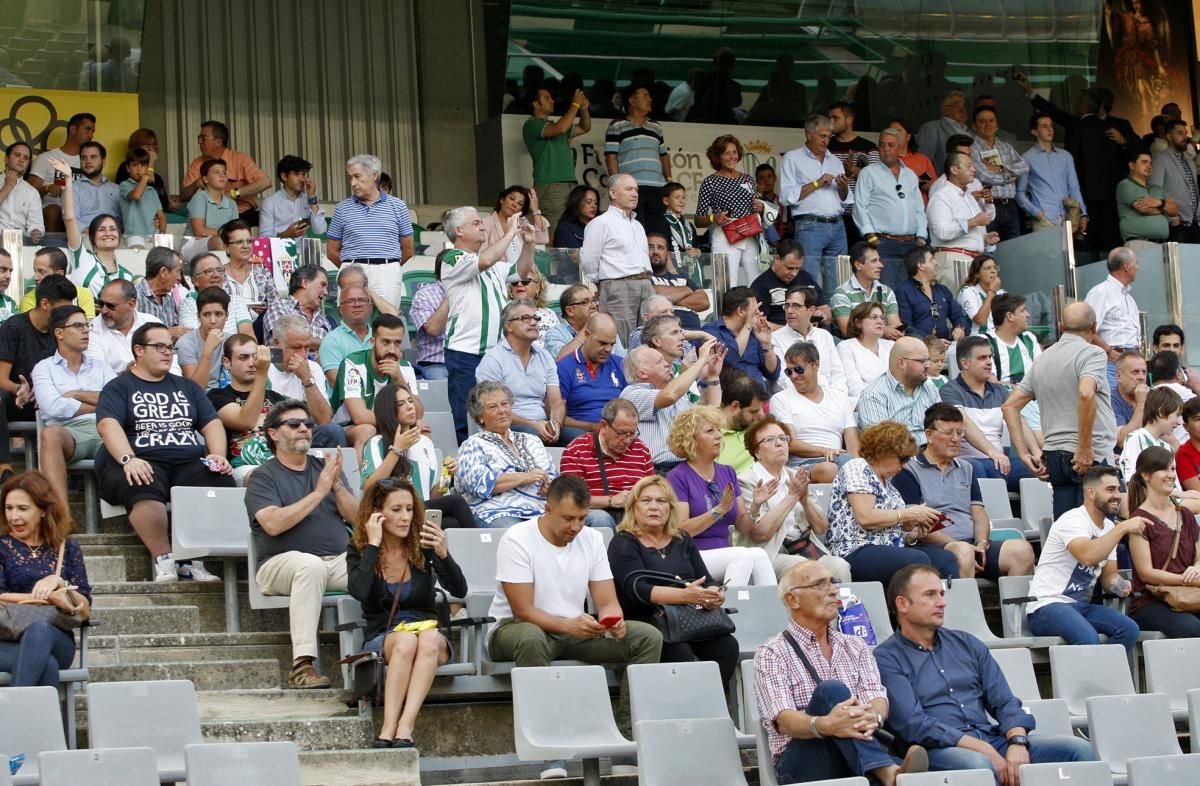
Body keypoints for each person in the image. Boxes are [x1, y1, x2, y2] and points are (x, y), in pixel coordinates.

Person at [487, 475, 662, 778]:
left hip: (574, 629)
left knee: (647, 636)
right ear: (547, 509)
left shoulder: (592, 538)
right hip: (515, 629)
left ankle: (625, 740)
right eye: (568, 518)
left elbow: (606, 600)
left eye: (582, 518)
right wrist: (569, 625)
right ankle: (548, 749)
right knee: (530, 637)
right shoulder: (517, 538)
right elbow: (523, 611)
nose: (576, 526)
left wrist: (613, 620)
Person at [875, 565, 1099, 783]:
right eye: (930, 595)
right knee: (978, 764)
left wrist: (1017, 742)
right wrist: (985, 750)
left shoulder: (967, 644)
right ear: (902, 604)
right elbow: (914, 725)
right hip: (941, 749)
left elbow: (1004, 701)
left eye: (942, 594)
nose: (942, 602)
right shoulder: (886, 657)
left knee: (1077, 749)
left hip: (992, 738)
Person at [753, 560, 929, 786]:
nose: (833, 590)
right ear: (792, 599)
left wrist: (873, 716)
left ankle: (880, 771)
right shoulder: (772, 652)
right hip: (803, 762)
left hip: (855, 755)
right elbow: (784, 720)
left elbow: (876, 697)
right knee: (831, 690)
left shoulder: (855, 646)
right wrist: (827, 724)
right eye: (820, 584)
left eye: (833, 582)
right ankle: (885, 771)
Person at [96, 322, 235, 581]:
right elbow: (108, 424)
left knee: (218, 479)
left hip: (188, 459)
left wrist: (218, 454)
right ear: (138, 349)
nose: (167, 353)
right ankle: (165, 559)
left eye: (170, 347)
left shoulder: (187, 386)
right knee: (141, 481)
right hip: (142, 458)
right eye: (159, 346)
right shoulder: (119, 387)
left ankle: (193, 559)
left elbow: (212, 423)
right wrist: (128, 459)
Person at [244, 400, 357, 688]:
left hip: (335, 562)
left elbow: (358, 518)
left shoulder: (326, 469)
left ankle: (387, 647)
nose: (304, 428)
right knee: (311, 565)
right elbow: (273, 523)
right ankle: (302, 665)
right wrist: (319, 492)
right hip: (278, 565)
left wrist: (337, 487)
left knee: (378, 563)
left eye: (308, 424)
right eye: (294, 424)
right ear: (273, 434)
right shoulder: (263, 477)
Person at [347, 476, 466, 747]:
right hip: (385, 635)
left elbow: (458, 589)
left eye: (410, 509)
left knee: (426, 638)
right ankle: (388, 726)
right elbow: (360, 591)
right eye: (396, 510)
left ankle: (404, 726)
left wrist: (444, 554)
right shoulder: (360, 549)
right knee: (405, 641)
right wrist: (373, 546)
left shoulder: (423, 546)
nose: (405, 517)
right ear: (377, 514)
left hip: (427, 634)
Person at [608, 475, 739, 686]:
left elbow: (706, 578)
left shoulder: (682, 538)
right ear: (633, 506)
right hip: (650, 621)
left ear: (670, 508)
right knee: (680, 655)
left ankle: (708, 707)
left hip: (689, 618)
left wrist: (715, 593)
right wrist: (685, 595)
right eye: (646, 501)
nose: (654, 507)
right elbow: (636, 589)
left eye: (661, 501)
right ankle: (684, 712)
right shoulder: (623, 542)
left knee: (727, 647)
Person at [893, 404, 1035, 580]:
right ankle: (967, 607)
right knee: (963, 552)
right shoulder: (909, 470)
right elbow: (913, 524)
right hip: (931, 547)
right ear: (929, 435)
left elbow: (979, 513)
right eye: (948, 432)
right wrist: (959, 545)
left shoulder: (967, 468)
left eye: (960, 433)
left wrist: (981, 544)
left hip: (971, 544)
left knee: (1021, 551)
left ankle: (1017, 608)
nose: (955, 439)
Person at [1004, 303, 1117, 519]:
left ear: (1060, 326)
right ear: (1094, 326)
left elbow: (1009, 406)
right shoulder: (1093, 353)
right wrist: (1084, 447)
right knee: (1097, 538)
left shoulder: (1042, 359)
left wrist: (1024, 454)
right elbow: (1086, 393)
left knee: (1068, 535)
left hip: (1055, 458)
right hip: (1089, 457)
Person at [1025, 465, 1142, 655]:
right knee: (1087, 638)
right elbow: (1087, 556)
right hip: (1047, 605)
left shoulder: (1109, 527)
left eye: (1119, 489)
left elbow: (1109, 579)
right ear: (1091, 492)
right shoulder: (1072, 520)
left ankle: (1108, 679)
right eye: (1110, 489)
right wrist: (1122, 528)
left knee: (1129, 630)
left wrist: (1123, 586)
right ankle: (1084, 683)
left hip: (1081, 605)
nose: (1118, 495)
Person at [826, 421, 957, 583]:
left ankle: (941, 607)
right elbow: (865, 517)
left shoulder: (890, 486)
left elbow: (894, 527)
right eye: (902, 459)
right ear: (883, 451)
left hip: (890, 547)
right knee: (916, 560)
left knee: (946, 560)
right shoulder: (858, 467)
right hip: (854, 549)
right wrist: (908, 513)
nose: (904, 465)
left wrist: (913, 532)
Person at [440, 206, 529, 443]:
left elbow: (521, 270)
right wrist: (509, 233)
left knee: (496, 412)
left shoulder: (492, 267)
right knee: (466, 415)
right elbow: (486, 259)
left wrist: (528, 242)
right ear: (459, 231)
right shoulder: (452, 258)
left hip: (495, 353)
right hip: (464, 351)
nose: (482, 226)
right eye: (476, 223)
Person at [209, 335, 344, 485]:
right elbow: (245, 421)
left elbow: (324, 419)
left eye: (255, 357)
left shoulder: (276, 397)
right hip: (246, 464)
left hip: (283, 456)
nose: (252, 363)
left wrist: (307, 379)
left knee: (332, 430)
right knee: (265, 475)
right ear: (227, 362)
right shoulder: (217, 396)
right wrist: (262, 374)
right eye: (243, 358)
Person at [664, 406, 776, 586]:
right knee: (743, 556)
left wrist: (755, 505)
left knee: (759, 555)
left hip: (726, 553)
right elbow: (681, 530)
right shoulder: (677, 476)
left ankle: (773, 612)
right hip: (691, 555)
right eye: (710, 431)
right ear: (690, 440)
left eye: (718, 429)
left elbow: (742, 526)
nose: (718, 435)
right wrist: (719, 510)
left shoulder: (727, 472)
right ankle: (729, 612)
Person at [0, 471, 91, 687]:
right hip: (4, 639)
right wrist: (45, 598)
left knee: (40, 629)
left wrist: (61, 584)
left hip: (55, 638)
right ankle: (40, 721)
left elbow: (85, 610)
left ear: (43, 510)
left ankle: (13, 717)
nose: (14, 517)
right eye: (9, 508)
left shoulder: (68, 549)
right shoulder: (1, 547)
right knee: (46, 665)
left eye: (23, 509)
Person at [737, 416, 852, 581]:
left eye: (783, 438)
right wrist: (792, 497)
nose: (779, 444)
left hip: (805, 548)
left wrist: (804, 501)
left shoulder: (795, 476)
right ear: (756, 451)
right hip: (770, 553)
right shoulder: (747, 481)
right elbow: (760, 534)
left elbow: (821, 528)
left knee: (839, 566)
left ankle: (840, 607)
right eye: (770, 440)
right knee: (802, 567)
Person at [31, 304, 115, 507]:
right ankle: (60, 514)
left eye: (87, 326)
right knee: (50, 434)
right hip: (71, 433)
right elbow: (53, 408)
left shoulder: (102, 367)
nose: (86, 330)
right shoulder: (44, 368)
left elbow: (117, 400)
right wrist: (99, 403)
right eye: (78, 326)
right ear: (59, 333)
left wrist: (77, 394)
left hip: (108, 429)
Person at [359, 383, 474, 528]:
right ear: (389, 410)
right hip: (393, 514)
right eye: (401, 403)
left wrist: (447, 476)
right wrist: (396, 450)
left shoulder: (425, 443)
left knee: (454, 524)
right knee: (456, 502)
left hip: (421, 513)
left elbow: (432, 496)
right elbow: (370, 488)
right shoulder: (376, 443)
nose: (409, 406)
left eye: (410, 400)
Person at [0, 275, 77, 481]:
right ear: (45, 304)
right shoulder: (14, 327)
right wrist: (19, 389)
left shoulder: (63, 331)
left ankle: (74, 475)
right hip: (18, 399)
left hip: (53, 399)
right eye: (62, 310)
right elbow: (1, 378)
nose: (66, 315)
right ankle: (4, 468)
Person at [942, 335, 1038, 488]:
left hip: (999, 462)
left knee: (1040, 468)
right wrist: (993, 453)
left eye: (990, 357)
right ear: (965, 363)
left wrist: (1036, 453)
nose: (989, 362)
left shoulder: (999, 391)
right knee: (987, 469)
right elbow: (965, 424)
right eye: (982, 358)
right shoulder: (950, 391)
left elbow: (1019, 422)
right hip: (967, 462)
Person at [456, 381, 555, 528]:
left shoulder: (532, 441)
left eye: (505, 404)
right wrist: (525, 477)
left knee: (592, 520)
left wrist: (550, 488)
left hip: (541, 510)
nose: (502, 411)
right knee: (517, 532)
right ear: (480, 417)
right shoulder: (473, 444)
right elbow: (478, 483)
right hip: (498, 512)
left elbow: (554, 477)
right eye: (493, 407)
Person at [1127, 446, 1200, 637]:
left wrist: (1197, 568)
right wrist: (1187, 581)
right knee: (1193, 629)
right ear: (1146, 475)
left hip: (1189, 593)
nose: (1171, 475)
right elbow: (1146, 573)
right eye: (1164, 469)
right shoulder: (1138, 519)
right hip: (1152, 600)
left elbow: (1198, 557)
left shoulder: (1185, 514)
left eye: (1173, 469)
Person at [325, 154, 415, 309]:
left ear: (374, 175)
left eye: (357, 177)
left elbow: (408, 249)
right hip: (351, 271)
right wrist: (352, 266)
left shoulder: (398, 206)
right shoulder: (341, 209)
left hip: (387, 272)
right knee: (352, 321)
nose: (353, 183)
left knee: (386, 320)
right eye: (350, 178)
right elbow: (332, 251)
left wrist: (388, 267)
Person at [621, 342, 724, 473]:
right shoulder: (631, 394)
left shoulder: (680, 394)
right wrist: (702, 359)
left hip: (688, 468)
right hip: (653, 471)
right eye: (659, 362)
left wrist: (712, 376)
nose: (667, 364)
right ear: (642, 373)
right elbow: (669, 396)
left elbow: (712, 415)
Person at [475, 298, 563, 444]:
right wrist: (533, 424)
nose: (534, 322)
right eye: (525, 318)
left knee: (580, 437)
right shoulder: (493, 360)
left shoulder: (545, 356)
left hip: (541, 425)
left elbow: (556, 401)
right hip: (505, 427)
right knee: (531, 437)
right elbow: (495, 409)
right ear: (509, 326)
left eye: (535, 318)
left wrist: (555, 424)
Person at [47, 158, 137, 299]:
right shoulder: (81, 257)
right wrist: (69, 179)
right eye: (102, 229)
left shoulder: (127, 276)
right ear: (92, 237)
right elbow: (70, 218)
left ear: (119, 235)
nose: (108, 233)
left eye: (113, 229)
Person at [580, 174, 655, 344]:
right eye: (628, 189)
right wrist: (601, 284)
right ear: (613, 194)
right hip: (618, 286)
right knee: (621, 340)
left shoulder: (637, 225)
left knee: (649, 337)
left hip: (645, 283)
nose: (635, 194)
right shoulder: (601, 223)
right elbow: (589, 260)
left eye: (636, 190)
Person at [778, 114, 849, 291]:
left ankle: (835, 318)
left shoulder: (835, 160)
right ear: (809, 134)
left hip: (837, 225)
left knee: (840, 280)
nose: (826, 141)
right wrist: (817, 183)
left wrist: (843, 187)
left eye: (829, 137)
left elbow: (845, 199)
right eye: (822, 136)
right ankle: (809, 317)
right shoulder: (792, 158)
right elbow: (785, 197)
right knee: (807, 279)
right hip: (810, 225)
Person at [559, 399, 653, 530]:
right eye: (621, 433)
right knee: (600, 518)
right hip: (595, 512)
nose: (627, 440)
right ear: (603, 426)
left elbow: (653, 490)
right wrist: (611, 500)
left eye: (632, 433)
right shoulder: (577, 449)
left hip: (634, 512)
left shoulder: (640, 449)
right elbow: (570, 498)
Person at [853, 128, 928, 291]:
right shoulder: (868, 173)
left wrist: (921, 236)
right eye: (882, 145)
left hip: (910, 243)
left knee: (910, 291)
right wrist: (871, 236)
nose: (885, 149)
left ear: (900, 147)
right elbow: (860, 206)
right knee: (886, 291)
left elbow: (919, 209)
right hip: (883, 242)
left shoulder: (910, 175)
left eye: (891, 145)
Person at [771, 341, 857, 482]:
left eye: (798, 370)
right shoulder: (781, 399)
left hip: (840, 460)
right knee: (829, 469)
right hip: (801, 465)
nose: (793, 376)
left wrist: (856, 464)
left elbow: (853, 446)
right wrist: (825, 451)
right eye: (789, 371)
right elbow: (789, 443)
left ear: (815, 365)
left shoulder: (840, 398)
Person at [694, 134, 768, 286]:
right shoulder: (710, 182)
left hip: (749, 233)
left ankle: (756, 310)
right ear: (717, 156)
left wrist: (760, 207)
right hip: (725, 234)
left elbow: (756, 206)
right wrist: (714, 218)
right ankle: (725, 311)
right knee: (725, 284)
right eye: (727, 153)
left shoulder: (747, 179)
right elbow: (698, 219)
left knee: (757, 282)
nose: (732, 156)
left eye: (734, 152)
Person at [329, 313, 417, 436]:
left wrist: (400, 380)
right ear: (372, 342)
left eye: (397, 343)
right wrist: (401, 421)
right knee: (367, 430)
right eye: (385, 342)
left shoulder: (405, 367)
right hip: (348, 427)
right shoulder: (353, 365)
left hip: (389, 424)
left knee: (421, 427)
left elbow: (418, 413)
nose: (392, 350)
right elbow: (360, 416)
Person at [524, 84, 590, 238]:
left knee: (570, 230)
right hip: (551, 186)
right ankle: (553, 263)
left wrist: (584, 108)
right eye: (547, 98)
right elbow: (560, 128)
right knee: (555, 232)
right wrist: (574, 104)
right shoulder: (531, 124)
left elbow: (585, 127)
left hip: (568, 184)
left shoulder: (557, 125)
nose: (552, 100)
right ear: (535, 104)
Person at [604, 84, 671, 229]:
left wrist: (669, 181)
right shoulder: (617, 126)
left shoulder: (656, 126)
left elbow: (664, 156)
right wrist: (617, 186)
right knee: (633, 229)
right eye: (645, 95)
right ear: (632, 101)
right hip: (632, 188)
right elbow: (611, 157)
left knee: (657, 232)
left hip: (657, 188)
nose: (650, 99)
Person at [928, 153, 1000, 287]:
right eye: (968, 166)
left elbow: (980, 222)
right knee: (958, 306)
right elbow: (942, 232)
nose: (974, 169)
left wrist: (984, 238)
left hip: (972, 260)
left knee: (973, 307)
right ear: (954, 170)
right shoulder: (941, 196)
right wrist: (973, 222)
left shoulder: (968, 197)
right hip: (953, 260)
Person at [180, 120, 270, 222]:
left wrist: (232, 194)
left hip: (241, 213)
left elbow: (265, 182)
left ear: (218, 141)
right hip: (209, 214)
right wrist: (196, 184)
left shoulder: (240, 159)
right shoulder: (197, 163)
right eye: (199, 138)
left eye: (204, 138)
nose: (199, 142)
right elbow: (183, 196)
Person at [86, 279, 180, 377]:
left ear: (131, 304)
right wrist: (126, 375)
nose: (104, 311)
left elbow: (172, 365)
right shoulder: (92, 329)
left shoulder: (151, 323)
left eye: (110, 306)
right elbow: (97, 376)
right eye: (101, 304)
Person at [556, 313, 625, 444]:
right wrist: (592, 427)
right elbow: (557, 417)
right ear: (587, 335)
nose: (608, 349)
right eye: (603, 343)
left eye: (612, 344)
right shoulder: (564, 367)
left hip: (619, 432)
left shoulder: (620, 365)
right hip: (582, 434)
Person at [1017, 112, 1088, 234]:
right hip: (1044, 219)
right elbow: (1019, 193)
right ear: (1034, 131)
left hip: (1068, 218)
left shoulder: (1065, 156)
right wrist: (1036, 213)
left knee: (1068, 253)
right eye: (1044, 126)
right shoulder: (1026, 158)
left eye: (1051, 126)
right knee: (1046, 254)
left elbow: (1074, 188)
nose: (1050, 129)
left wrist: (1083, 213)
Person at [770, 284, 844, 395]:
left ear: (811, 310)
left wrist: (834, 399)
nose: (789, 311)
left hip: (830, 400)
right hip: (795, 402)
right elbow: (782, 382)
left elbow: (838, 376)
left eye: (796, 306)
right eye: (787, 306)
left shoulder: (824, 336)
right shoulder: (774, 339)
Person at [702, 286, 780, 391]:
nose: (758, 312)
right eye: (754, 308)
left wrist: (766, 344)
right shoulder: (710, 331)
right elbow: (731, 359)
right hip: (728, 399)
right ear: (740, 311)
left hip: (760, 398)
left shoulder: (754, 332)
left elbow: (773, 373)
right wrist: (748, 325)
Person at [27, 112, 94, 233]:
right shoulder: (47, 157)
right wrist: (47, 188)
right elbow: (28, 191)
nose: (91, 135)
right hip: (51, 208)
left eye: (92, 131)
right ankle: (54, 248)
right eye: (87, 129)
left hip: (79, 210)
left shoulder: (89, 161)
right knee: (54, 210)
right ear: (73, 129)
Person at [969, 106, 1028, 241]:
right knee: (991, 247)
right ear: (974, 125)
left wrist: (1001, 168)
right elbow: (984, 176)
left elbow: (1024, 167)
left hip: (1010, 204)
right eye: (982, 121)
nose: (988, 124)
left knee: (1014, 247)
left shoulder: (1005, 146)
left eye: (991, 120)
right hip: (988, 204)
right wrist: (1010, 176)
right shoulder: (972, 148)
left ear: (996, 124)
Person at [829, 242, 903, 340]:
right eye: (874, 261)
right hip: (856, 349)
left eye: (879, 260)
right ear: (858, 265)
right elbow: (846, 331)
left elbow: (895, 325)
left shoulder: (887, 292)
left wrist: (897, 331)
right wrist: (882, 330)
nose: (881, 265)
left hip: (885, 347)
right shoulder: (842, 293)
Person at [896, 247, 968, 343]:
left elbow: (958, 314)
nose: (937, 263)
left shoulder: (942, 289)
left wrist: (960, 327)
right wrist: (931, 342)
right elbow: (906, 327)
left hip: (946, 345)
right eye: (932, 259)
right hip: (920, 348)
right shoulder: (903, 291)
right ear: (921, 265)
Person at [752, 240, 827, 329]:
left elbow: (826, 311)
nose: (794, 273)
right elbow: (760, 325)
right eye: (789, 268)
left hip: (814, 334)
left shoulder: (806, 278)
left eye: (797, 268)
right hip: (779, 339)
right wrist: (792, 329)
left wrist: (822, 315)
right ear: (777, 259)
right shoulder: (760, 285)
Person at [1118, 387, 1182, 485]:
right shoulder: (1135, 438)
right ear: (1161, 412)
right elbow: (1133, 482)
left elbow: (1174, 486)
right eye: (1177, 415)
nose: (1178, 422)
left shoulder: (1168, 448)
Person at [1149, 119, 1200, 243]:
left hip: (1194, 223)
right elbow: (1155, 190)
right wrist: (1169, 217)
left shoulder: (1188, 159)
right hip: (1176, 224)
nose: (1185, 137)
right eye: (1180, 133)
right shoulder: (1161, 158)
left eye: (1185, 133)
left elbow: (1194, 189)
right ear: (1169, 136)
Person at [647, 231, 709, 330]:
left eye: (660, 248)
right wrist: (687, 290)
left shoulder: (682, 277)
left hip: (694, 332)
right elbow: (653, 294)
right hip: (663, 333)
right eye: (650, 247)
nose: (655, 252)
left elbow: (704, 302)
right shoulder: (644, 278)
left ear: (667, 254)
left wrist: (670, 298)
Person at [263, 265, 335, 350]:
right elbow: (288, 339)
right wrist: (325, 346)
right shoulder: (279, 307)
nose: (326, 292)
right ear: (304, 283)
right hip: (283, 362)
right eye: (322, 285)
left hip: (318, 363)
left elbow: (334, 350)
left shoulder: (324, 321)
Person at [485, 186, 550, 276]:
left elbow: (542, 239)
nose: (514, 204)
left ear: (521, 210)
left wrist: (535, 210)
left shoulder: (522, 223)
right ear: (502, 199)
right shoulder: (486, 223)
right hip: (499, 277)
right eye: (512, 199)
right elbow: (481, 258)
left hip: (523, 276)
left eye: (520, 204)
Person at [258, 155, 328, 239]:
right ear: (284, 176)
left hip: (302, 251)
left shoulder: (309, 200)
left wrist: (312, 196)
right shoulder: (270, 202)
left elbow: (320, 230)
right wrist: (285, 234)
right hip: (279, 251)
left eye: (303, 174)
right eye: (296, 174)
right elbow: (263, 237)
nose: (301, 179)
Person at [837, 302, 896, 403]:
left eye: (882, 318)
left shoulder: (891, 346)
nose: (880, 321)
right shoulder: (846, 347)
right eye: (874, 317)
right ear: (858, 322)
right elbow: (854, 388)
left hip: (896, 402)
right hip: (865, 405)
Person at [177, 288, 233, 390]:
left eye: (218, 314)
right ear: (198, 316)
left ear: (227, 316)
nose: (212, 321)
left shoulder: (232, 341)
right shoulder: (186, 343)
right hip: (201, 399)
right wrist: (208, 350)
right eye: (206, 315)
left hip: (228, 397)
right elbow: (195, 389)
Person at [1117, 150, 1175, 246]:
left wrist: (1160, 203)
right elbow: (1144, 209)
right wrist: (1165, 209)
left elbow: (1175, 209)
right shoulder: (1125, 185)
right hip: (1139, 243)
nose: (1149, 166)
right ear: (1132, 165)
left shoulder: (1157, 188)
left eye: (1150, 163)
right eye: (1144, 162)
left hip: (1160, 244)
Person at [18, 247, 95, 319]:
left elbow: (86, 329)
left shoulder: (83, 294)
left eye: (41, 272)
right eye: (35, 271)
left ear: (59, 275)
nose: (36, 278)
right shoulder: (28, 300)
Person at [319, 285, 373, 386]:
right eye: (350, 301)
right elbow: (336, 381)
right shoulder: (332, 340)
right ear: (341, 310)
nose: (357, 304)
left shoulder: (380, 336)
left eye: (362, 300)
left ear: (370, 307)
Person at [717, 371, 768, 474]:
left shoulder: (755, 428)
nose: (761, 415)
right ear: (735, 406)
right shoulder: (710, 434)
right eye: (753, 411)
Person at [114, 128, 172, 212]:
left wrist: (169, 204)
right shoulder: (127, 168)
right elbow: (141, 198)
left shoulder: (158, 178)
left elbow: (161, 205)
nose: (152, 150)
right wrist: (151, 163)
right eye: (147, 147)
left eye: (154, 146)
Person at [186, 159, 241, 245]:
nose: (222, 175)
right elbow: (199, 231)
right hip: (193, 244)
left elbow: (235, 231)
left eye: (224, 172)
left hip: (223, 243)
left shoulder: (231, 203)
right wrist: (226, 234)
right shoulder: (200, 198)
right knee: (219, 242)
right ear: (205, 179)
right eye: (216, 172)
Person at [917, 90, 970, 174]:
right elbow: (922, 161)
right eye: (957, 105)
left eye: (964, 105)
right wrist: (929, 182)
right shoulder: (932, 128)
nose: (963, 109)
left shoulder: (968, 131)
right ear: (945, 109)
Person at [134, 247, 186, 334]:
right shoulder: (135, 297)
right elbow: (131, 335)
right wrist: (167, 332)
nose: (179, 278)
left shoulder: (168, 300)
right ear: (164, 272)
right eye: (178, 272)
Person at [117, 146, 165, 236]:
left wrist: (162, 233)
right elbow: (136, 195)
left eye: (143, 165)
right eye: (135, 165)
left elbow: (161, 216)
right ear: (128, 168)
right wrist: (146, 176)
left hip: (153, 234)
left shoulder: (152, 191)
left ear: (147, 167)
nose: (139, 169)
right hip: (133, 235)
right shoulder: (124, 185)